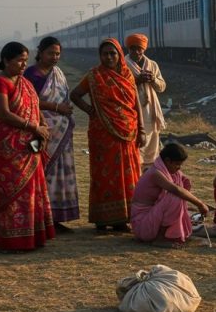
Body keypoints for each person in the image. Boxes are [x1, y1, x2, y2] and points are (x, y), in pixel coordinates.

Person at [0, 42, 55, 252]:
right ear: (6, 60)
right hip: (8, 149)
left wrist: (42, 127)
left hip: (29, 147)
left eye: (25, 59)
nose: (23, 64)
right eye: (19, 60)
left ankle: (32, 236)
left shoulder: (25, 82)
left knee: (31, 191)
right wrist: (33, 127)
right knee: (12, 192)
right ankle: (12, 240)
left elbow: (35, 106)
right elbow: (4, 113)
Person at [70, 38, 145, 232]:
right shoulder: (94, 76)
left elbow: (135, 103)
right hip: (102, 133)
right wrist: (89, 110)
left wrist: (142, 130)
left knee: (128, 174)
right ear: (100, 56)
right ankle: (102, 219)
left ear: (120, 54)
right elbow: (75, 94)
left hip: (128, 131)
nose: (109, 57)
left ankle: (122, 218)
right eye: (105, 54)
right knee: (103, 174)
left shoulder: (127, 74)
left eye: (113, 53)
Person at [23, 36, 79, 233]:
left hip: (61, 131)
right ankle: (43, 217)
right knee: (44, 172)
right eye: (50, 53)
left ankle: (57, 216)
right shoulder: (31, 74)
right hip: (43, 129)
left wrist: (63, 110)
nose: (54, 57)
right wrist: (56, 107)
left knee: (60, 174)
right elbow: (29, 101)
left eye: (57, 54)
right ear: (40, 52)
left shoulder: (58, 73)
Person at [131, 143, 209, 248]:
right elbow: (176, 190)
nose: (179, 168)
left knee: (183, 187)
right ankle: (160, 238)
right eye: (177, 164)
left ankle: (173, 233)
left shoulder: (169, 170)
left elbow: (184, 184)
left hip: (152, 217)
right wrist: (200, 204)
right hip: (143, 224)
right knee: (175, 197)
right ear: (168, 161)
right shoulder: (155, 173)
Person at [124, 33, 167, 166]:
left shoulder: (152, 65)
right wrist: (137, 81)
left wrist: (153, 79)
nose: (136, 52)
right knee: (135, 141)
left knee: (152, 140)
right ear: (128, 49)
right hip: (132, 108)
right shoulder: (124, 65)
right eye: (132, 48)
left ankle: (150, 167)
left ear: (144, 49)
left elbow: (162, 87)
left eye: (139, 48)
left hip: (150, 111)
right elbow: (121, 88)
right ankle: (136, 167)